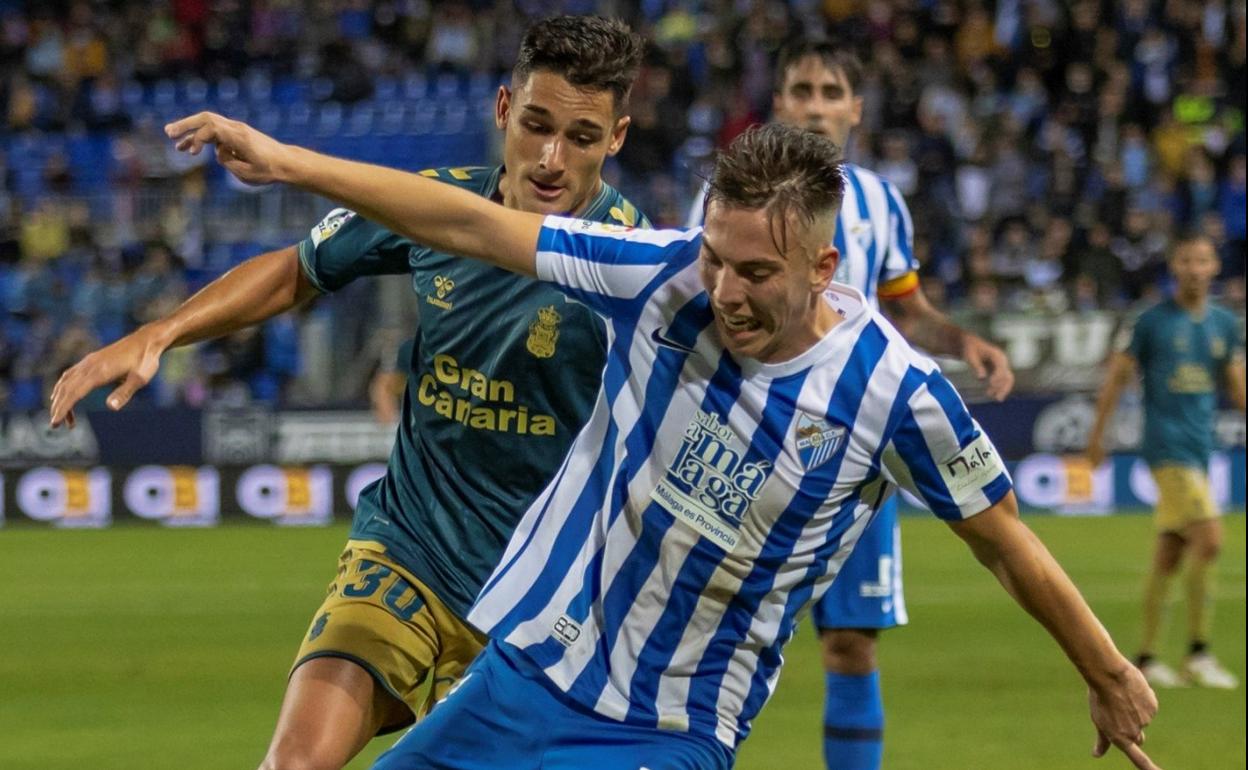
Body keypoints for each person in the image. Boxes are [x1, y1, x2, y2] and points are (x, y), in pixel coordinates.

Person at [163, 112, 1160, 770]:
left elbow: (1004, 537)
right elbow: (470, 224)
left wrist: (1108, 670)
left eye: (758, 272)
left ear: (822, 264)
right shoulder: (663, 275)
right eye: (719, 258)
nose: (727, 290)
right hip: (526, 672)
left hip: (673, 724)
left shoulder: (893, 391)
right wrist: (290, 162)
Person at [48, 16, 648, 770]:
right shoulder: (433, 207)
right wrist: (160, 332)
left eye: (583, 137)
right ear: (503, 110)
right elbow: (299, 265)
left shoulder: (633, 263)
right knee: (292, 764)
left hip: (533, 598)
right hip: (408, 551)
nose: (552, 159)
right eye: (536, 125)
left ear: (617, 138)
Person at [687, 39, 1015, 769]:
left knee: (851, 643)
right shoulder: (726, 197)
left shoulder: (879, 203)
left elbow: (909, 310)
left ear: (856, 109)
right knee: (701, 633)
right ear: (779, 105)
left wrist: (967, 342)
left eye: (831, 91)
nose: (815, 104)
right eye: (801, 89)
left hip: (849, 449)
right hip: (743, 440)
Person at [1087, 235, 1245, 690]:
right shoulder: (1151, 322)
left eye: (1202, 260)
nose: (1195, 269)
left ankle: (1146, 657)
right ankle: (1198, 652)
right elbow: (1116, 378)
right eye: (1186, 260)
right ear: (1174, 267)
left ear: (1215, 267)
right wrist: (1098, 436)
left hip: (1200, 448)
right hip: (1166, 447)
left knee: (1171, 552)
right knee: (1210, 539)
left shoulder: (1223, 324)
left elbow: (1238, 389)